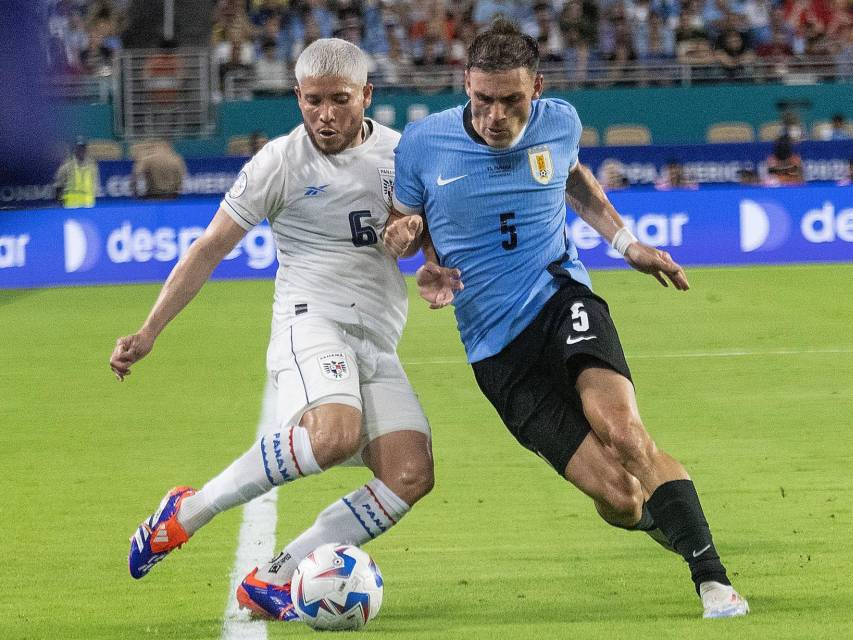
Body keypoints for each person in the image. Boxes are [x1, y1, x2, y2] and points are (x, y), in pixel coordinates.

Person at [383, 19, 748, 619]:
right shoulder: (423, 144)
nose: (496, 115)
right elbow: (405, 226)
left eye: (511, 101)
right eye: (483, 100)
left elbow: (575, 182)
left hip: (561, 298)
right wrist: (414, 253)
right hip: (494, 349)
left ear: (537, 88)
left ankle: (712, 580)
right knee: (621, 499)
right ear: (465, 86)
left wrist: (627, 243)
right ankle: (665, 517)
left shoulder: (560, 121)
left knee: (625, 432)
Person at [111, 38, 433, 621]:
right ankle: (189, 512)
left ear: (367, 95)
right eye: (312, 101)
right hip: (310, 323)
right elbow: (208, 249)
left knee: (410, 474)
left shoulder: (402, 154)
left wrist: (414, 238)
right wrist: (149, 331)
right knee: (334, 434)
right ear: (297, 97)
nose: (325, 115)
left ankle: (275, 577)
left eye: (340, 100)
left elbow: (429, 237)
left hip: (376, 338)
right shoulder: (279, 163)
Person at [53, 136, 99, 208]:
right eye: (79, 148)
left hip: (88, 206)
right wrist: (60, 200)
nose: (81, 150)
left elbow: (95, 185)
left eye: (83, 148)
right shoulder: (67, 166)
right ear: (74, 149)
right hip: (70, 206)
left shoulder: (92, 166)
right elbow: (58, 185)